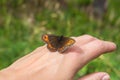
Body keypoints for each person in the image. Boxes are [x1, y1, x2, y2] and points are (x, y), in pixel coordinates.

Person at [0, 35, 116, 80]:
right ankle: (59, 47)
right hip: (61, 46)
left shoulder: (53, 37)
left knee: (55, 45)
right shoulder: (67, 41)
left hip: (55, 45)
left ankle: (56, 47)